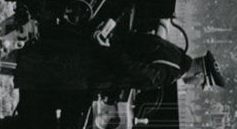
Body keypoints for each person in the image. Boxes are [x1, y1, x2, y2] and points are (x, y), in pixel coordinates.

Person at [13, 26, 225, 94]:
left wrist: (110, 42)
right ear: (199, 73)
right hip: (94, 71)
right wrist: (108, 51)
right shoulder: (170, 73)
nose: (199, 86)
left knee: (39, 54)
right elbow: (131, 70)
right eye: (203, 84)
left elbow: (137, 39)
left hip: (93, 54)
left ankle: (5, 49)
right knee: (35, 69)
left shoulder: (175, 52)